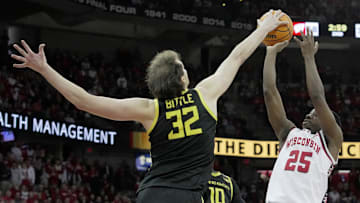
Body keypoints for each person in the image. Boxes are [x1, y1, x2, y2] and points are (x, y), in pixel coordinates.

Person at [11, 9, 286, 203]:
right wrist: (263, 28)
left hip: (152, 193)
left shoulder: (149, 109)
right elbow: (236, 57)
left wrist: (44, 69)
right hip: (187, 195)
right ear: (182, 77)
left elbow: (83, 100)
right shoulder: (205, 94)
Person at [263, 28, 343, 203]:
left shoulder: (332, 140)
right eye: (310, 112)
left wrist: (308, 57)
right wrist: (270, 52)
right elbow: (269, 92)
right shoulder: (289, 133)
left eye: (315, 114)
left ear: (328, 122)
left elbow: (317, 97)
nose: (309, 114)